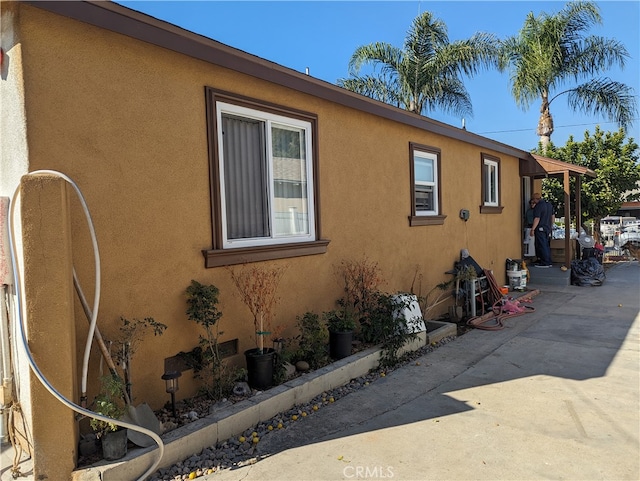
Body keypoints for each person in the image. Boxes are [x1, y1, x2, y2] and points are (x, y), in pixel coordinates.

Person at [529, 193, 554, 267]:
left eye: (533, 200)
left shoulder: (539, 206)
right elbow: (552, 217)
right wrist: (550, 226)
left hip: (540, 228)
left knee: (542, 245)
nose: (533, 202)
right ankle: (547, 261)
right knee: (546, 244)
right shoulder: (549, 205)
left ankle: (545, 262)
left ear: (536, 199)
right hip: (547, 228)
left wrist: (532, 229)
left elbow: (537, 218)